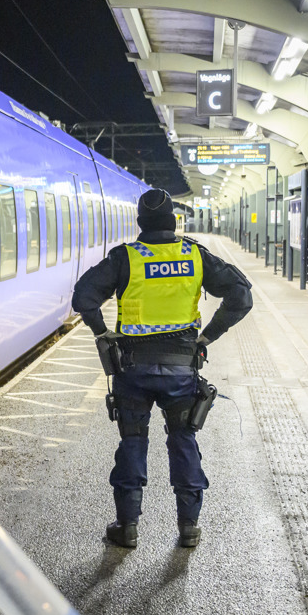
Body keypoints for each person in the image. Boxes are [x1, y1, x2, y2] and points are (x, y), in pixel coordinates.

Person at [72, 189, 251, 549]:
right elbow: (241, 296)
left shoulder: (125, 258)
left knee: (132, 442)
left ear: (140, 223)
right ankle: (188, 528)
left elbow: (83, 297)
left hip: (133, 372)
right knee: (184, 440)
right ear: (173, 221)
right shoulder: (195, 256)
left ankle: (128, 527)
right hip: (182, 369)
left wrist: (102, 331)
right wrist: (207, 337)